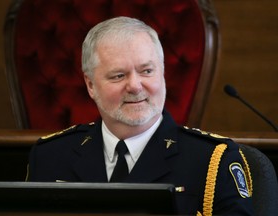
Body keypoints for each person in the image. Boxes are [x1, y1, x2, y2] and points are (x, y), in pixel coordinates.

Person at [27, 16, 253, 215]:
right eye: (118, 75)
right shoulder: (50, 156)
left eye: (147, 71)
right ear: (90, 85)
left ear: (162, 73)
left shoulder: (212, 160)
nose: (135, 86)